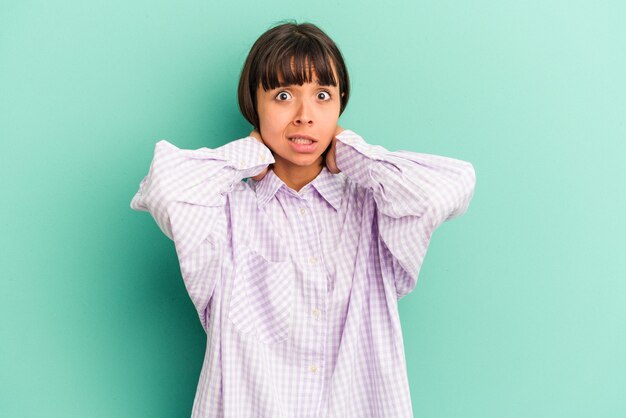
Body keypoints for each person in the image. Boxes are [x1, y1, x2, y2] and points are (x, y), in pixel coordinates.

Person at [131, 20, 476, 418]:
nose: (304, 115)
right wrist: (246, 154)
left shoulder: (376, 210)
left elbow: (451, 186)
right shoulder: (225, 213)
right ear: (253, 105)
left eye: (323, 96)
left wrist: (352, 153)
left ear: (340, 105)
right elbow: (162, 190)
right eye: (282, 95)